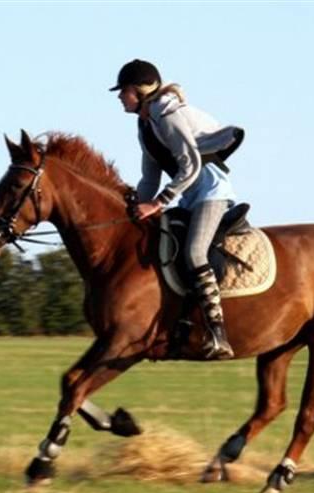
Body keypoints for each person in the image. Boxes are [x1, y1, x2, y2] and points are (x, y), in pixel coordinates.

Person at [110, 59, 244, 360]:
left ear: (140, 91)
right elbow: (149, 178)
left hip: (211, 191)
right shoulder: (145, 124)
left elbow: (192, 164)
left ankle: (217, 332)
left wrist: (158, 202)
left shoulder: (165, 114)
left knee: (195, 253)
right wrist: (132, 211)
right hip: (188, 196)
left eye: (124, 91)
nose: (120, 96)